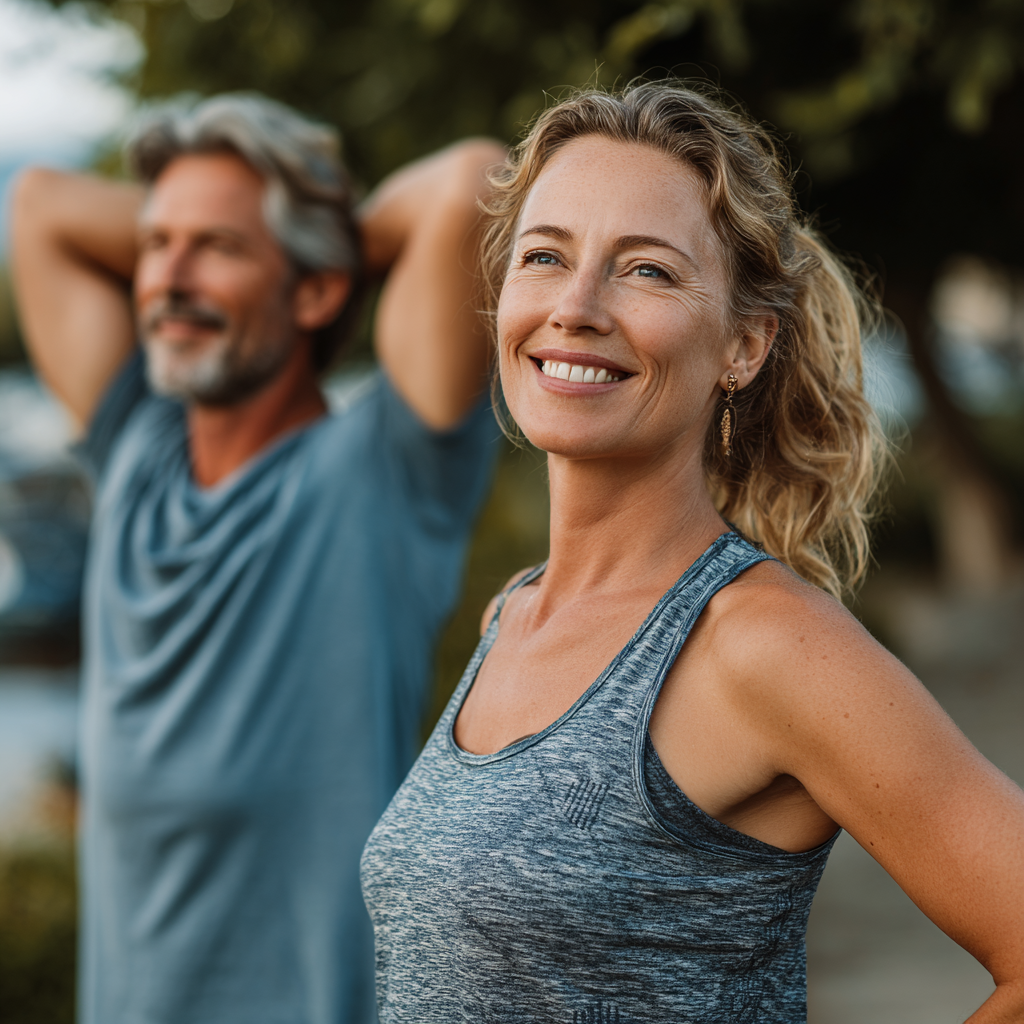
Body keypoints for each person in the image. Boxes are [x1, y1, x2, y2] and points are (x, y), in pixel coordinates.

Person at [360, 82, 1024, 1022]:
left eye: (648, 272)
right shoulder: (512, 612)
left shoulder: (762, 644)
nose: (577, 307)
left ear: (745, 345)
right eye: (544, 256)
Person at [11, 94, 503, 1024]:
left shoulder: (381, 472)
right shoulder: (134, 454)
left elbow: (475, 180)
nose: (167, 278)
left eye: (217, 248)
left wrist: (314, 245)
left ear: (318, 290)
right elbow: (39, 204)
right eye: (155, 244)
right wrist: (238, 246)